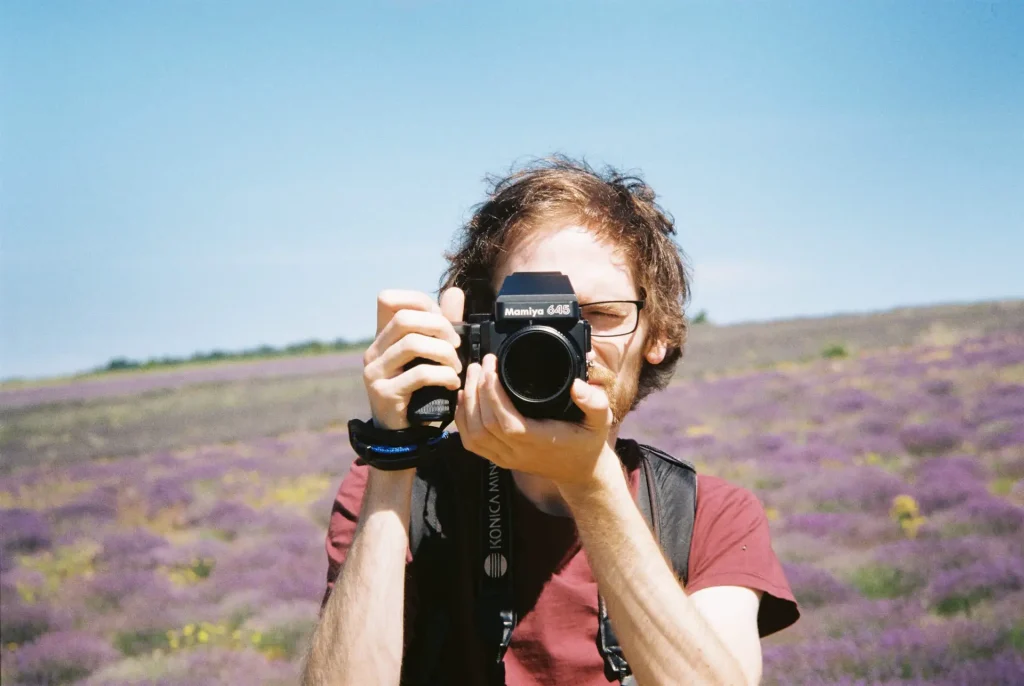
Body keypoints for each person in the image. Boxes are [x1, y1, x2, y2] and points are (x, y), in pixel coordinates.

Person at [302, 157, 799, 686]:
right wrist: (395, 455)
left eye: (601, 315)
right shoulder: (403, 493)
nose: (565, 344)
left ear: (658, 336)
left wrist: (591, 484)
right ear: (478, 331)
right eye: (533, 317)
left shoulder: (708, 517)